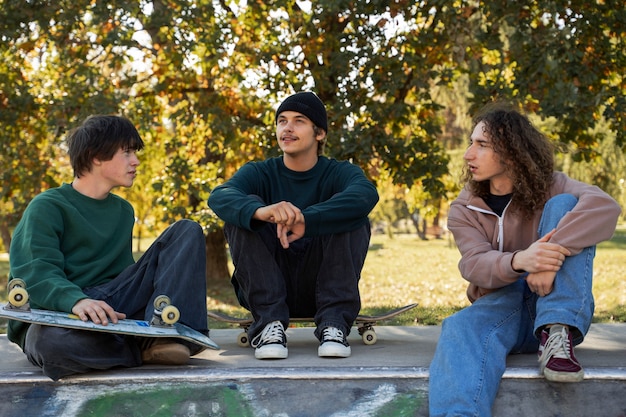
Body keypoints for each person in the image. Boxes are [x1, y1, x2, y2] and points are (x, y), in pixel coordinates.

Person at [428, 103, 621, 416]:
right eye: (470, 143)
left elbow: (605, 208)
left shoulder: (554, 185)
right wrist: (521, 261)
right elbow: (475, 265)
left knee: (565, 205)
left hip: (559, 303)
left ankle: (556, 331)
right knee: (459, 327)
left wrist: (547, 256)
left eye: (481, 145)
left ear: (511, 151)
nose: (468, 154)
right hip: (504, 310)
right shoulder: (465, 207)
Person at [8, 115, 209, 381]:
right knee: (49, 343)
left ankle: (166, 333)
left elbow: (123, 277)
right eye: (126, 153)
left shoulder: (123, 211)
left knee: (186, 229)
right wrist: (77, 301)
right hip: (62, 313)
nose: (135, 161)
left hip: (112, 305)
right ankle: (144, 348)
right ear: (95, 156)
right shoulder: (48, 206)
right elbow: (36, 273)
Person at [208, 91, 379, 360]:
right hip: (267, 284)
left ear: (319, 133)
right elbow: (219, 196)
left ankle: (334, 324)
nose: (287, 128)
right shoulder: (260, 172)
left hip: (323, 285)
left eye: (299, 121)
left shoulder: (339, 173)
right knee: (244, 210)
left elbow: (365, 195)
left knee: (353, 213)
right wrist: (262, 211)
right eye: (282, 121)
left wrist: (306, 219)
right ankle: (268, 327)